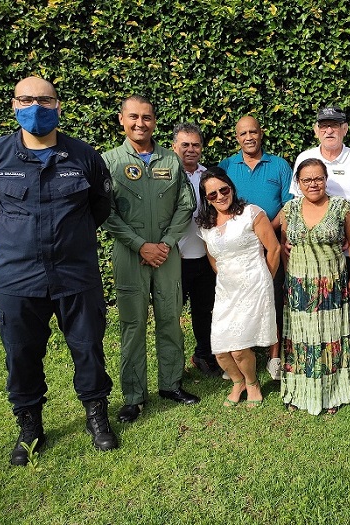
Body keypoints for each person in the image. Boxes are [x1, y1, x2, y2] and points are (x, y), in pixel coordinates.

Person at [0, 76, 118, 465]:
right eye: (27, 99)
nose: (37, 107)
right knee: (21, 354)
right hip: (18, 277)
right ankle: (30, 426)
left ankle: (96, 416)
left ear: (58, 106)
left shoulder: (84, 156)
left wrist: (72, 237)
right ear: (15, 105)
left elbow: (100, 206)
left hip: (75, 274)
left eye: (45, 100)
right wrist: (18, 238)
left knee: (87, 348)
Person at [103, 95, 200, 424]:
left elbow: (186, 204)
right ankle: (133, 396)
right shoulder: (109, 161)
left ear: (154, 122)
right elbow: (105, 212)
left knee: (170, 318)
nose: (140, 123)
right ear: (121, 120)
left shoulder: (170, 161)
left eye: (146, 117)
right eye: (133, 117)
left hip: (167, 253)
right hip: (130, 254)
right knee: (133, 324)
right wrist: (140, 245)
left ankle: (171, 384)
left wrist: (166, 242)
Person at [291, 105, 350, 391]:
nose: (329, 130)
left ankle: (346, 369)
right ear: (316, 129)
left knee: (347, 315)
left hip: (347, 251)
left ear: (344, 129)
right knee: (310, 315)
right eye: (324, 125)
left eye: (335, 125)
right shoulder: (305, 158)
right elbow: (295, 206)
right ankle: (308, 370)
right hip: (312, 256)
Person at [277, 158, 350, 415]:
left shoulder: (341, 206)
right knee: (299, 338)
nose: (313, 184)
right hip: (299, 285)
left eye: (318, 178)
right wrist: (281, 248)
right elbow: (276, 238)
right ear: (298, 183)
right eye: (306, 180)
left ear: (326, 180)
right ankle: (298, 391)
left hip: (331, 284)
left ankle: (332, 393)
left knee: (330, 338)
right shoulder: (289, 209)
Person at [196, 167, 280, 407]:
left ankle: (252, 383)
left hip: (254, 286)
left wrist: (264, 280)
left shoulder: (251, 213)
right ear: (207, 199)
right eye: (213, 194)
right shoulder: (206, 226)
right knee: (221, 349)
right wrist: (227, 281)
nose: (220, 196)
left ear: (231, 188)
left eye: (224, 189)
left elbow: (273, 250)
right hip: (226, 292)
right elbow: (214, 260)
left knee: (240, 348)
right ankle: (237, 381)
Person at [218, 115, 292, 381]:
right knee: (239, 302)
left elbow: (288, 205)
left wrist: (266, 228)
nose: (248, 137)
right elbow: (218, 201)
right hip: (240, 248)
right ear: (236, 138)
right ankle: (242, 354)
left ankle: (274, 357)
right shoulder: (226, 166)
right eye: (242, 133)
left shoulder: (280, 165)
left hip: (270, 243)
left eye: (253, 132)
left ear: (261, 133)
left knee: (272, 299)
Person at [172, 122, 220, 377]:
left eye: (196, 145)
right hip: (174, 258)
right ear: (174, 147)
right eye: (185, 145)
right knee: (171, 313)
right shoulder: (165, 174)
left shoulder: (208, 177)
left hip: (203, 256)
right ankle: (172, 362)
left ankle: (203, 354)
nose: (191, 150)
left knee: (205, 310)